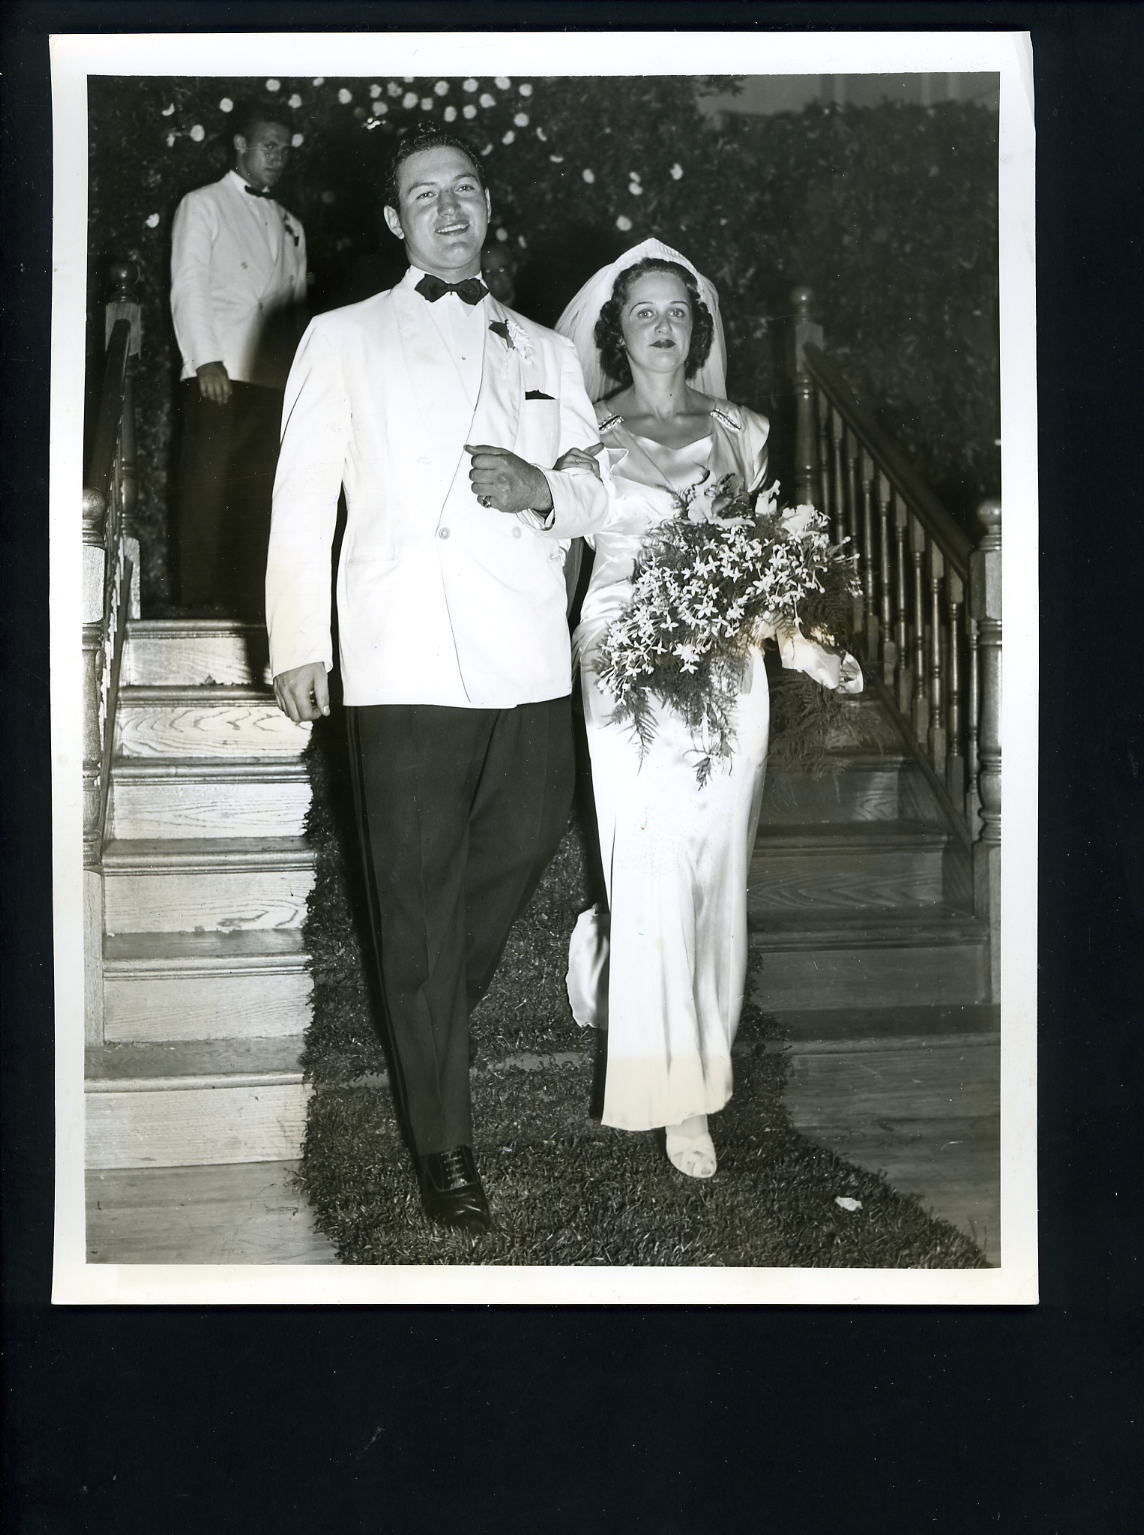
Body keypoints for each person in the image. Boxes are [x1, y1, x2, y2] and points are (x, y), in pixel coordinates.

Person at [265, 131, 611, 1232]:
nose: (449, 208)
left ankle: (424, 1014)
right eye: (426, 195)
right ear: (393, 222)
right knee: (412, 896)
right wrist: (297, 640)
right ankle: (445, 1146)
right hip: (400, 649)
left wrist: (543, 492)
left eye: (465, 189)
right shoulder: (342, 337)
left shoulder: (550, 351)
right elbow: (302, 498)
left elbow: (591, 488)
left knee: (517, 843)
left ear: (487, 205)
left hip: (524, 651)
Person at [558, 240, 862, 1179]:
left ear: (698, 329)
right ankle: (678, 1096)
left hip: (729, 664)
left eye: (677, 311)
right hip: (621, 650)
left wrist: (805, 646)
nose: (661, 324)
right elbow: (563, 550)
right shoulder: (584, 427)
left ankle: (610, 968)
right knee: (649, 855)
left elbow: (758, 567)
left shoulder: (744, 430)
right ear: (618, 328)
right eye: (643, 309)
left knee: (714, 865)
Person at [171, 98, 308, 615]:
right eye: (269, 146)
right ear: (241, 145)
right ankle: (199, 601)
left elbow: (292, 308)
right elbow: (189, 285)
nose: (278, 157)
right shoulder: (202, 203)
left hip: (270, 378)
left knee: (257, 493)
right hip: (218, 369)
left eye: (285, 150)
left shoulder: (292, 222)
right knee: (206, 489)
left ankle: (248, 600)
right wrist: (205, 359)